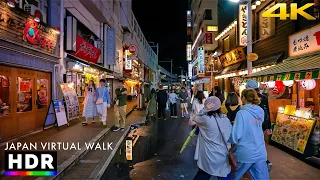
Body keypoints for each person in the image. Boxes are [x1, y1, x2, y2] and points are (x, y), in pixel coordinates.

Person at [230, 89, 270, 180]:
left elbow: (236, 135)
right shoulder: (260, 111)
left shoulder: (241, 113)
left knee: (234, 176)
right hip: (260, 151)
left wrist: (229, 141)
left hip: (245, 153)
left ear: (244, 97)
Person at [193, 96, 232, 180]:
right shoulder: (225, 119)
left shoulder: (205, 119)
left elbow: (194, 117)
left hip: (208, 156)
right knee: (224, 175)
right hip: (223, 154)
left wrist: (204, 110)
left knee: (203, 175)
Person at [246, 80, 272, 170]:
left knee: (253, 142)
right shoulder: (263, 97)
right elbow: (267, 111)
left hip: (252, 123)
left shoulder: (250, 98)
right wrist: (268, 125)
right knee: (260, 142)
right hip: (262, 123)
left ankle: (259, 162)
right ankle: (264, 161)